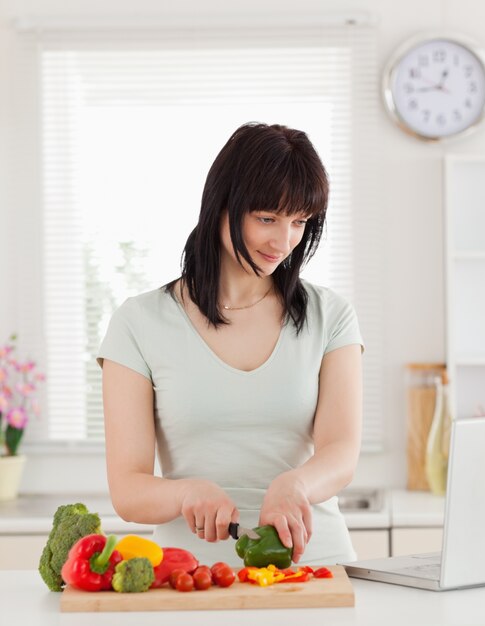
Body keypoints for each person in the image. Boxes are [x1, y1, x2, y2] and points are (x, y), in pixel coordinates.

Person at [97, 122, 363, 565]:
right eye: (266, 218)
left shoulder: (329, 315)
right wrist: (187, 493)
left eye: (299, 222)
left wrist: (294, 484)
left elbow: (341, 451)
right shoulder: (138, 323)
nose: (284, 241)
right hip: (191, 576)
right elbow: (128, 490)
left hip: (315, 567)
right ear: (222, 205)